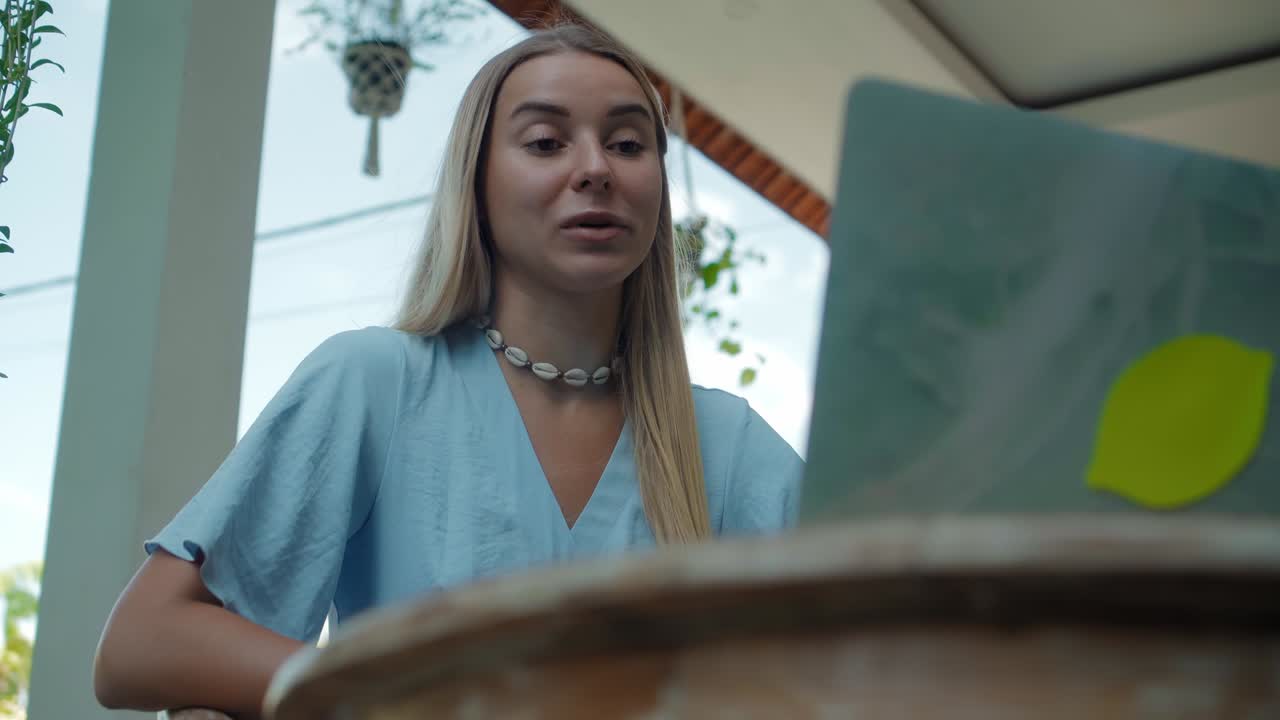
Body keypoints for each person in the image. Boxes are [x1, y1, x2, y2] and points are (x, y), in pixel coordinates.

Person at [93, 23, 802, 718]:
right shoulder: (377, 383)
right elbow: (141, 643)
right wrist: (389, 693)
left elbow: (883, 649)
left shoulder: (727, 445)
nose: (596, 169)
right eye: (546, 142)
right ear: (477, 183)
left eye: (626, 143)